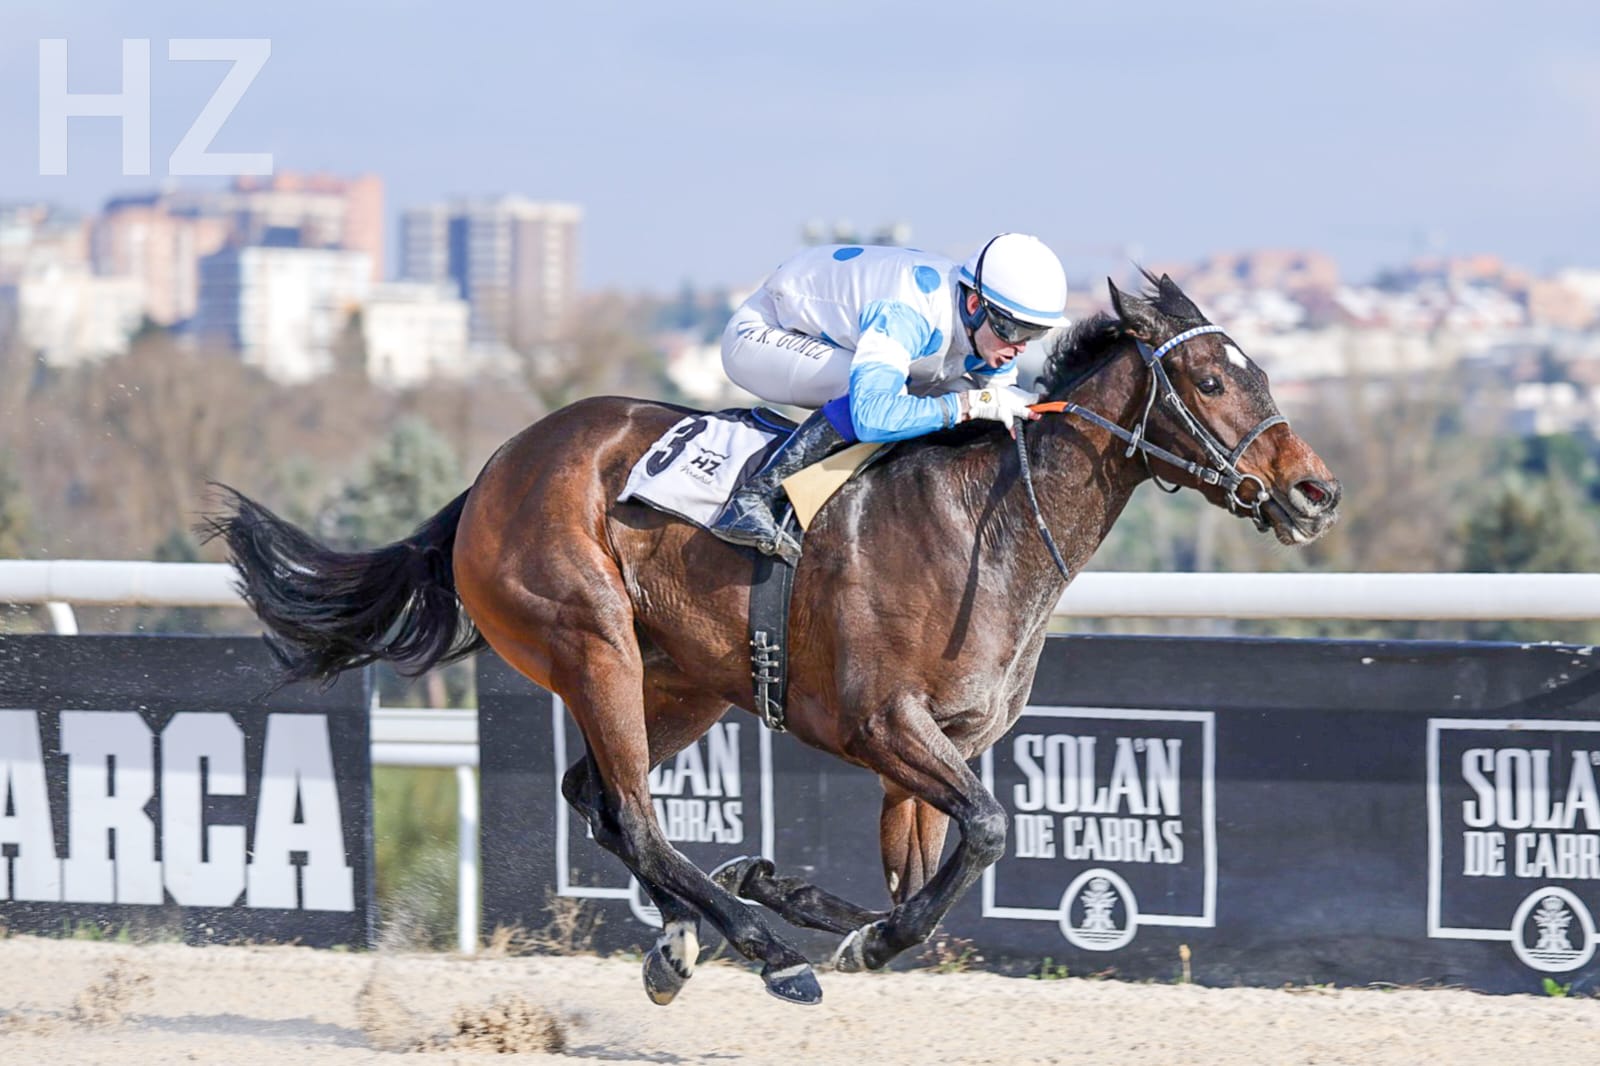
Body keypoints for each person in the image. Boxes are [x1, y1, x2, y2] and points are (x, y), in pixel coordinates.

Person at [711, 232, 1069, 561]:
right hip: (762, 333)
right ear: (974, 305)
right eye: (1014, 330)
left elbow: (1000, 402)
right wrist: (974, 403)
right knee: (880, 394)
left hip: (835, 329)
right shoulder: (908, 313)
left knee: (966, 400)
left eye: (1033, 334)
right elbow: (872, 417)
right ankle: (754, 498)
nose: (1020, 346)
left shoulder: (988, 331)